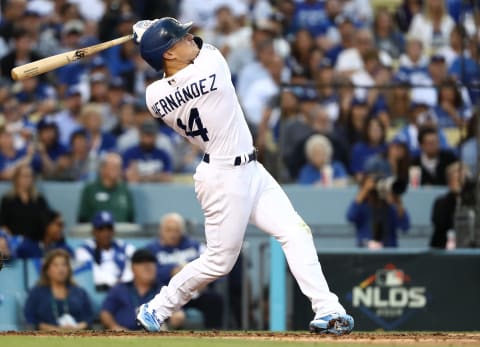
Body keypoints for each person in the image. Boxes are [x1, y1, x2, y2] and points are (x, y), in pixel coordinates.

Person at [132, 17, 354, 334]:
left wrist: (151, 39)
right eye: (179, 39)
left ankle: (328, 309)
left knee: (295, 232)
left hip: (249, 169)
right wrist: (151, 32)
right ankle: (156, 307)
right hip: (223, 177)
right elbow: (202, 47)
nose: (188, 38)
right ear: (168, 54)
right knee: (220, 261)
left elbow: (178, 59)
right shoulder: (212, 66)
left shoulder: (153, 97)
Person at [146, 212, 223, 329]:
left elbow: (211, 265)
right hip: (166, 291)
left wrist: (202, 281)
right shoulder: (152, 249)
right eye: (169, 230)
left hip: (194, 292)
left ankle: (214, 335)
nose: (173, 234)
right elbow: (149, 274)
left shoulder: (194, 245)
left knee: (215, 300)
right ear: (161, 231)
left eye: (176, 230)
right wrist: (171, 271)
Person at [100, 249, 186, 331]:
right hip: (123, 337)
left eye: (151, 262)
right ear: (132, 268)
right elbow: (105, 313)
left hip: (154, 338)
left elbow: (177, 313)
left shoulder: (164, 290)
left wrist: (176, 318)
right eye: (141, 262)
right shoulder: (120, 289)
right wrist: (114, 327)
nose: (147, 266)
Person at [24, 249, 93, 330]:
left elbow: (89, 318)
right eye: (55, 265)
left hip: (77, 336)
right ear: (47, 270)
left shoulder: (80, 292)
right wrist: (55, 330)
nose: (61, 269)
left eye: (64, 265)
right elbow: (30, 318)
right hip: (45, 338)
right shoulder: (36, 292)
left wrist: (76, 328)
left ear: (69, 269)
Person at [75, 210, 136, 292]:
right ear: (93, 231)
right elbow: (91, 272)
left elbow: (135, 265)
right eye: (101, 229)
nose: (106, 233)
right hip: (99, 291)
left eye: (109, 228)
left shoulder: (125, 247)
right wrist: (114, 282)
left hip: (125, 290)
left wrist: (123, 283)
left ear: (114, 230)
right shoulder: (85, 249)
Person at [346, 174, 411, 248]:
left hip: (389, 252)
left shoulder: (391, 209)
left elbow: (405, 226)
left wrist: (398, 200)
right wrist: (364, 190)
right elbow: (350, 216)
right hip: (365, 251)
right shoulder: (362, 207)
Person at [77, 152, 135, 223]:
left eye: (119, 167)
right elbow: (82, 217)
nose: (117, 170)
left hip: (121, 231)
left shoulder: (125, 190)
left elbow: (131, 217)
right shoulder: (90, 190)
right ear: (103, 168)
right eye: (113, 167)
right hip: (96, 231)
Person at [0, 164, 51, 241]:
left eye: (30, 176)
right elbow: (3, 223)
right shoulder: (8, 200)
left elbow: (46, 221)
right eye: (25, 176)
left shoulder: (39, 199)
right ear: (16, 178)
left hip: (36, 241)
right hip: (15, 241)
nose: (28, 179)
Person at [430, 162, 471, 249]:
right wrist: (455, 197)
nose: (461, 182)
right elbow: (440, 224)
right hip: (442, 248)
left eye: (463, 178)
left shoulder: (474, 203)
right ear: (449, 182)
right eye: (456, 178)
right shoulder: (441, 202)